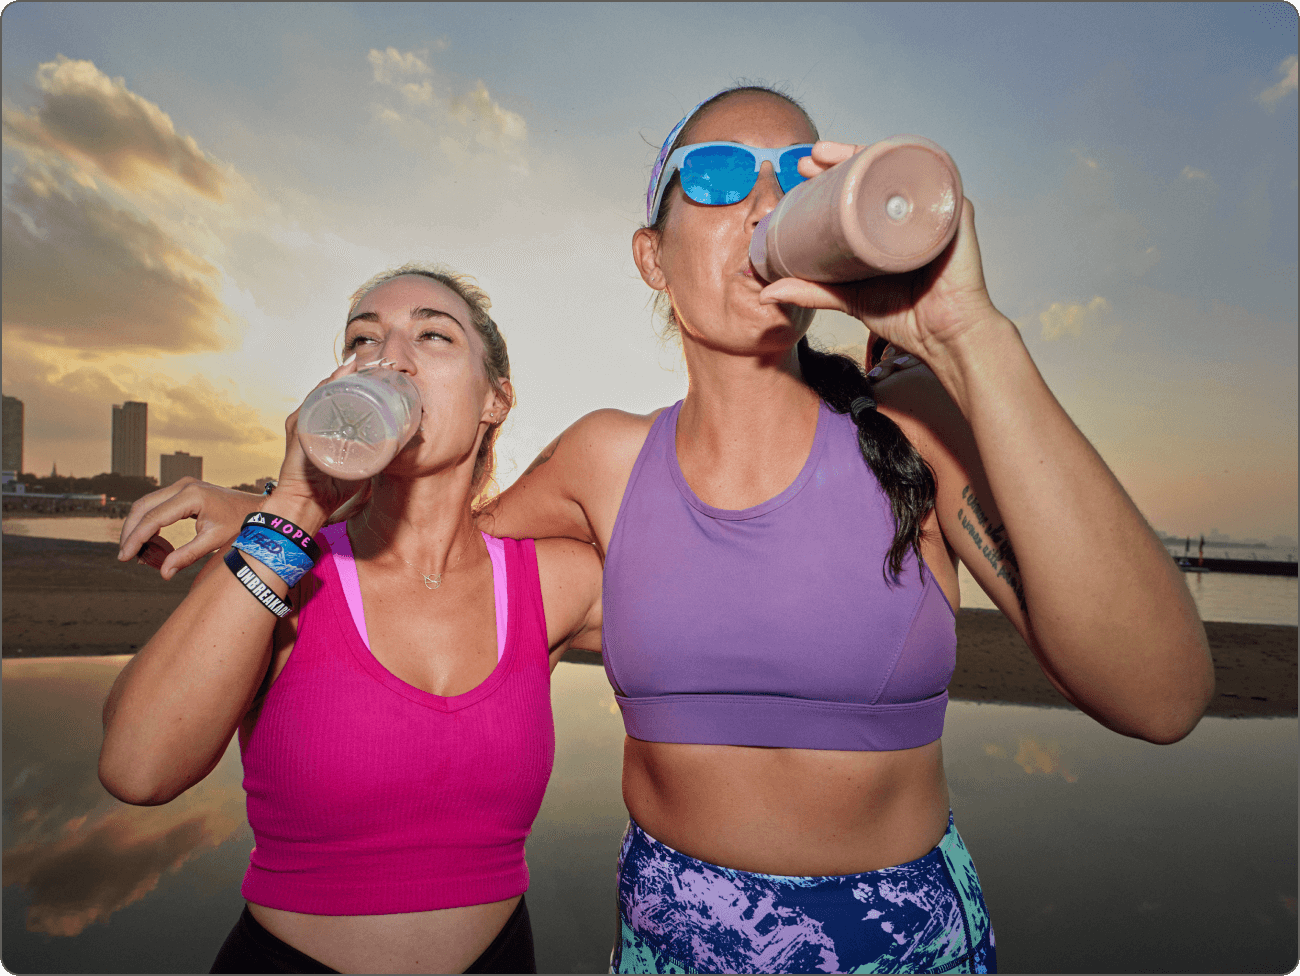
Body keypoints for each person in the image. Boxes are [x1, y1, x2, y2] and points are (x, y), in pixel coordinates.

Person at [119, 86, 1215, 974]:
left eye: (794, 177)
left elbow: (1157, 696)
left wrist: (970, 335)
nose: (759, 204)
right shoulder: (604, 461)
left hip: (903, 940)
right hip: (670, 941)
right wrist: (263, 513)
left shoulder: (913, 428)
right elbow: (445, 554)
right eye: (718, 175)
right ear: (652, 255)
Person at [100, 265, 602, 974]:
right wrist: (295, 504)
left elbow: (734, 613)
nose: (389, 357)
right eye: (363, 341)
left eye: (432, 334)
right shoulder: (277, 565)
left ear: (495, 399)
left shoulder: (548, 582)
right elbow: (137, 769)